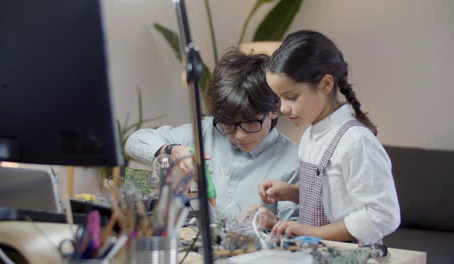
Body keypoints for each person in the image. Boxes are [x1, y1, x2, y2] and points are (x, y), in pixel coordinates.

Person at [258, 30, 400, 245]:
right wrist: (293, 193)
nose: (284, 108)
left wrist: (313, 233)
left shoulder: (356, 141)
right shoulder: (310, 136)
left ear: (326, 84)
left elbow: (383, 216)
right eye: (279, 98)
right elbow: (336, 200)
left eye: (292, 97)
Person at [125, 48, 299, 220]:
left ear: (275, 109)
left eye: (250, 123)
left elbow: (297, 232)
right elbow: (134, 141)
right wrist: (173, 150)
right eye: (228, 124)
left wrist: (272, 222)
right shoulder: (208, 131)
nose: (238, 135)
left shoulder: (292, 161)